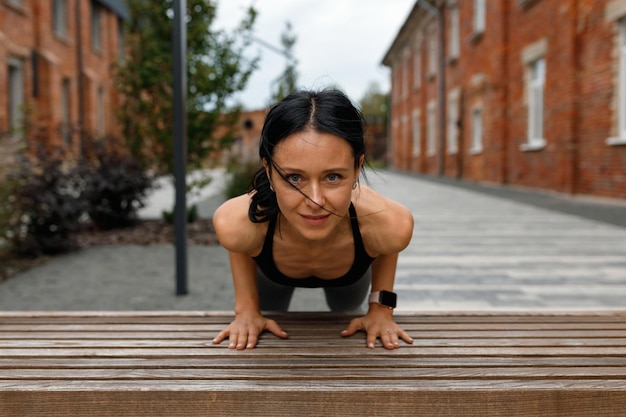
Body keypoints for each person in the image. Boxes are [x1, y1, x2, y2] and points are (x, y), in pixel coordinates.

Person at [212, 89, 414, 350]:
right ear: (269, 170)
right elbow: (240, 242)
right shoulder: (236, 221)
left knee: (345, 308)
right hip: (274, 275)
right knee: (271, 309)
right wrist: (246, 311)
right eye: (294, 178)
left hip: (348, 277)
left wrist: (380, 310)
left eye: (332, 177)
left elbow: (388, 244)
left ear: (356, 168)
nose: (315, 201)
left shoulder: (388, 222)